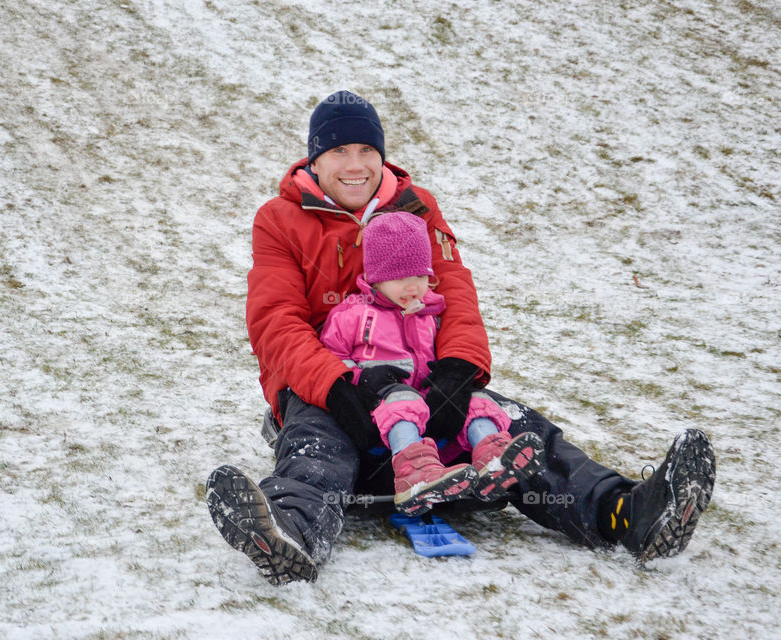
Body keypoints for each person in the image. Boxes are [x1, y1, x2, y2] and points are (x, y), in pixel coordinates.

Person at [205, 90, 716, 586]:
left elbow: (455, 293)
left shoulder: (416, 206)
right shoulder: (280, 219)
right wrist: (338, 387)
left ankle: (625, 512)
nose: (355, 164)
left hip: (422, 383)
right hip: (333, 388)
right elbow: (275, 321)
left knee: (514, 428)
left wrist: (457, 372)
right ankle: (289, 533)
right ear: (315, 161)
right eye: (339, 151)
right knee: (319, 448)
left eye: (366, 150)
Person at [317, 210, 545, 515]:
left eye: (421, 276)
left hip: (429, 410)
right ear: (375, 277)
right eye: (400, 278)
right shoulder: (354, 314)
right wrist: (359, 377)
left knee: (476, 399)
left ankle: (492, 457)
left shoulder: (433, 314)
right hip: (376, 411)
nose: (413, 286)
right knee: (403, 399)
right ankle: (414, 473)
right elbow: (329, 358)